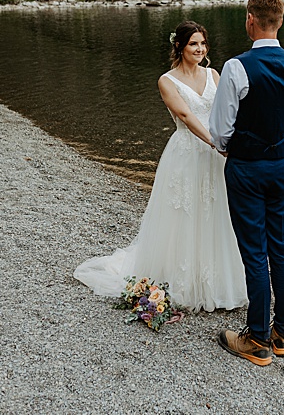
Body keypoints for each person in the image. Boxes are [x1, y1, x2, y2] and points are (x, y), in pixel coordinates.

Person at [74, 21, 249, 311]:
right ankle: (182, 281)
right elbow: (185, 115)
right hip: (189, 152)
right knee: (185, 214)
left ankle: (219, 283)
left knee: (216, 211)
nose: (200, 49)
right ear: (179, 46)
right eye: (193, 44)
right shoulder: (167, 81)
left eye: (203, 43)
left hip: (216, 154)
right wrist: (214, 142)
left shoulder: (214, 74)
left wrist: (233, 139)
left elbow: (228, 111)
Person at [209, 0, 284, 366]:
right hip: (282, 167)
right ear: (280, 22)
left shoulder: (236, 67)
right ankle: (283, 332)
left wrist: (233, 148)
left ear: (250, 20)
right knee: (280, 246)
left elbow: (220, 130)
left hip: (247, 168)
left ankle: (256, 338)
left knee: (254, 252)